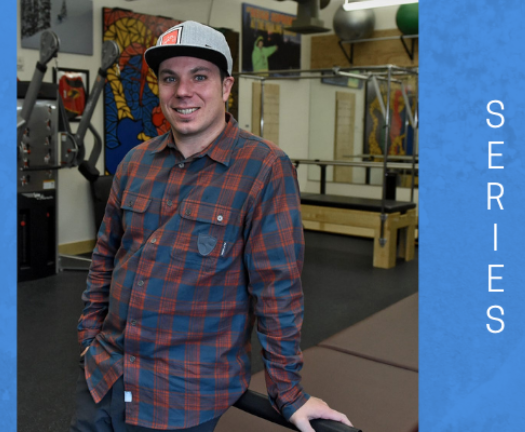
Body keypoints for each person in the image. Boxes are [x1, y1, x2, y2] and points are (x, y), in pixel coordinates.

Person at [72, 20, 352, 432]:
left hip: (181, 398)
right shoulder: (135, 163)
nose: (182, 91)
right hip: (104, 378)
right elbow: (104, 259)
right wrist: (88, 338)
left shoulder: (265, 169)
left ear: (226, 87)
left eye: (199, 76)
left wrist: (288, 392)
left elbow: (277, 291)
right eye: (170, 78)